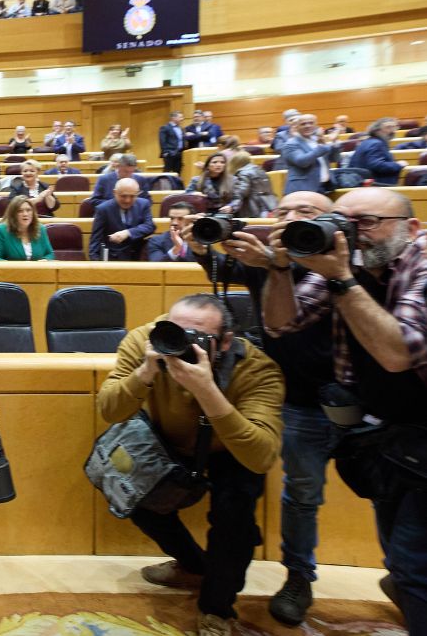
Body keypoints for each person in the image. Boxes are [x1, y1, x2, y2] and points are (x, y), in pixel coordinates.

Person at [264, 186, 427, 631]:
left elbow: (398, 353)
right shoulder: (347, 261)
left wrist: (340, 277)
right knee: (400, 552)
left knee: (414, 562)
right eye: (341, 223)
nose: (353, 234)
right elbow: (281, 323)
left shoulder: (421, 260)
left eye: (366, 222)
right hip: (391, 429)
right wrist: (280, 267)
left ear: (410, 228)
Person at [178, 191, 337, 627]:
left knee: (389, 492)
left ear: (333, 222)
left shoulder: (349, 266)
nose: (290, 219)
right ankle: (299, 577)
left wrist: (272, 262)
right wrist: (199, 245)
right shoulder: (269, 260)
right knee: (302, 496)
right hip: (299, 399)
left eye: (305, 212)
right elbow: (223, 269)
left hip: (365, 397)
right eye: (283, 211)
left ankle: (403, 573)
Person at [98, 294, 284, 636]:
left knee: (234, 523)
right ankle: (195, 567)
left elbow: (262, 456)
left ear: (226, 341)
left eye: (195, 338)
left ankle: (216, 607)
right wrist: (145, 372)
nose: (179, 345)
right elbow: (110, 410)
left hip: (232, 446)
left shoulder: (257, 369)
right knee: (139, 502)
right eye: (174, 332)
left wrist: (207, 389)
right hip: (169, 439)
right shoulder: (146, 341)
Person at [89, 177, 153, 260]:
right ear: (114, 193)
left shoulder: (144, 204)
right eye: (123, 196)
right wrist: (96, 265)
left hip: (139, 256)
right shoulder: (103, 209)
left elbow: (149, 226)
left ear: (138, 193)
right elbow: (95, 240)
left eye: (132, 196)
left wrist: (128, 233)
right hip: (114, 259)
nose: (127, 200)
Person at [280, 113, 340, 195]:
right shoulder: (290, 144)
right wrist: (322, 147)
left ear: (316, 125)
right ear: (297, 127)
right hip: (302, 189)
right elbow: (302, 162)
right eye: (303, 124)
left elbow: (334, 159)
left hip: (325, 187)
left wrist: (334, 142)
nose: (307, 126)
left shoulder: (318, 139)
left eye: (311, 123)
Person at [0, 195, 54, 261]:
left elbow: (49, 254)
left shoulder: (40, 229)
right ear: (13, 214)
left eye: (28, 210)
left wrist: (45, 260)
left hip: (38, 272)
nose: (25, 214)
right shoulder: (0, 231)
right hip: (10, 272)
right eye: (20, 211)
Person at [348, 117, 405, 186]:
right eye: (388, 127)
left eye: (394, 127)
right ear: (376, 130)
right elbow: (377, 165)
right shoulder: (376, 144)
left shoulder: (367, 142)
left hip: (365, 184)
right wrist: (398, 165)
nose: (393, 131)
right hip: (377, 186)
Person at [221, 151, 277, 217]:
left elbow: (240, 193)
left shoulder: (243, 173)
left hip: (254, 210)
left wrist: (231, 206)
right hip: (269, 206)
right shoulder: (260, 170)